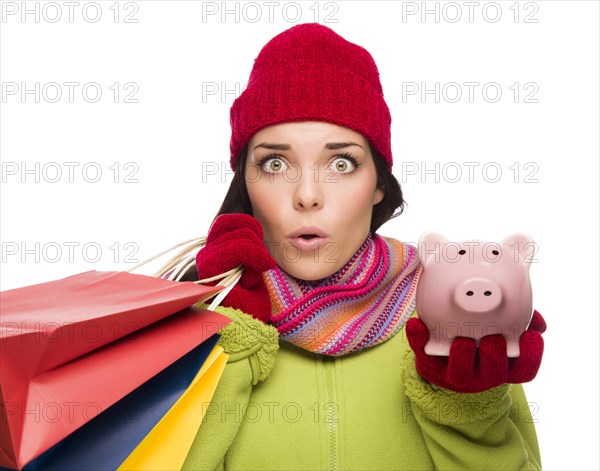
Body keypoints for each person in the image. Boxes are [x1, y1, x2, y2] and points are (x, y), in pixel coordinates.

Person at [182, 23, 545, 470]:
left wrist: (468, 412)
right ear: (246, 182)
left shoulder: (452, 321)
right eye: (275, 163)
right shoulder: (200, 319)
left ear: (378, 184)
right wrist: (226, 340)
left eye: (341, 162)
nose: (308, 194)